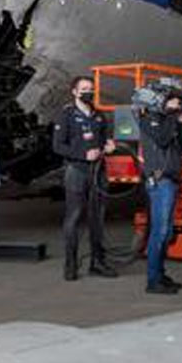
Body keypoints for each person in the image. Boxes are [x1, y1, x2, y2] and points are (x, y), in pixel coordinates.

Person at [52, 76, 116, 281]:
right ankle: (70, 265)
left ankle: (97, 263)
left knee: (97, 219)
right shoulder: (67, 115)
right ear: (74, 92)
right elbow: (58, 146)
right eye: (84, 89)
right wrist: (82, 154)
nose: (89, 92)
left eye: (91, 88)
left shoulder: (99, 116)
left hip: (98, 172)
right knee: (73, 218)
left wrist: (110, 147)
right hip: (77, 171)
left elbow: (106, 140)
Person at [135, 82, 182, 295]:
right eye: (174, 101)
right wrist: (175, 118)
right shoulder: (150, 120)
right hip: (160, 181)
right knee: (160, 231)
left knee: (166, 232)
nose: (177, 104)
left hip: (171, 180)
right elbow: (163, 140)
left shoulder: (168, 121)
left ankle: (160, 274)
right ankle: (152, 280)